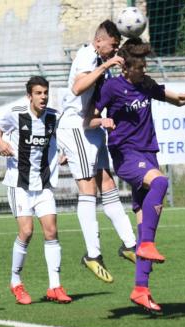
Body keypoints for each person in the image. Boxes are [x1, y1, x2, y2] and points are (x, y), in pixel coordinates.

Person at [92, 38, 185, 313]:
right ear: (126, 67)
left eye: (145, 66)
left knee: (144, 228)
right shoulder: (113, 86)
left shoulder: (146, 83)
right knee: (161, 182)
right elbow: (88, 117)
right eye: (139, 66)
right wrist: (102, 120)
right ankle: (147, 245)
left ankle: (141, 290)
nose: (144, 70)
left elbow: (178, 100)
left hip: (148, 155)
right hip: (126, 156)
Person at [57, 20, 137, 283]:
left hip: (91, 127)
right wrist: (104, 65)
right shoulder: (87, 55)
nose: (113, 51)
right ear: (99, 41)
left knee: (107, 183)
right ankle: (93, 254)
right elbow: (77, 88)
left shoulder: (101, 60)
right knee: (88, 186)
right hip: (75, 128)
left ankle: (130, 244)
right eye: (112, 46)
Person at [0, 76, 72, 305]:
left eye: (45, 92)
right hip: (19, 183)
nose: (43, 97)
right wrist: (0, 142)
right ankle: (16, 282)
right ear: (30, 96)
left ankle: (55, 286)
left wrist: (61, 155)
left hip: (43, 184)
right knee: (26, 231)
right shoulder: (16, 113)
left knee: (51, 231)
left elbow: (59, 140)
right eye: (38, 93)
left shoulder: (53, 117)